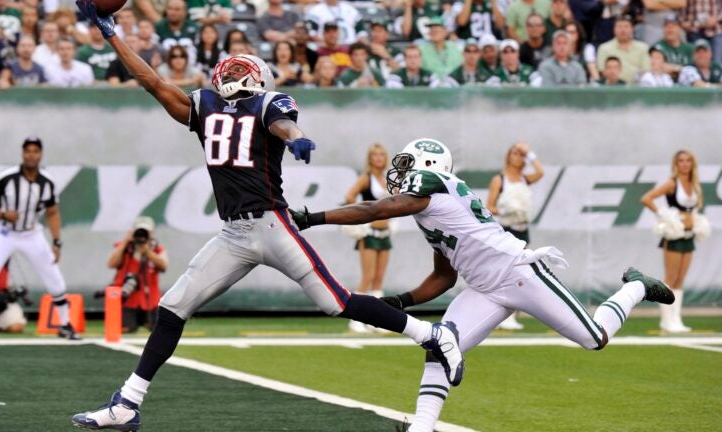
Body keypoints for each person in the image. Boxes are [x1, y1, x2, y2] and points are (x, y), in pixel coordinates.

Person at [71, 1, 464, 428]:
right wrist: (111, 34)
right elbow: (153, 82)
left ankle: (432, 334)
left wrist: (296, 137)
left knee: (335, 302)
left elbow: (278, 123)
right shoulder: (208, 106)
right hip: (235, 234)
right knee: (173, 307)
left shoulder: (259, 105)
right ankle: (127, 403)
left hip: (273, 225)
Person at [289, 138, 676, 432]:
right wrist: (400, 301)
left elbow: (374, 209)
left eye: (408, 165)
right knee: (441, 344)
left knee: (595, 337)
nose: (400, 172)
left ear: (427, 167)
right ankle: (423, 426)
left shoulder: (434, 182)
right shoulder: (431, 210)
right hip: (483, 288)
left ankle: (637, 286)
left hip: (519, 272)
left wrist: (312, 217)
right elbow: (445, 275)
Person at [0, 137, 79, 344]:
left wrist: (57, 241)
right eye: (28, 151)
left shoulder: (47, 181)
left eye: (35, 151)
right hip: (4, 232)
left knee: (53, 276)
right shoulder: (8, 176)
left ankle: (65, 325)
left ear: (40, 154)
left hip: (31, 233)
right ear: (22, 153)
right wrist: (1, 213)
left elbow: (52, 212)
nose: (31, 154)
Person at [641, 150, 707, 333]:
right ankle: (666, 320)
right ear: (676, 164)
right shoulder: (672, 183)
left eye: (688, 161)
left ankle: (676, 319)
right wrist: (663, 214)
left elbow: (693, 209)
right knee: (670, 278)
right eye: (681, 161)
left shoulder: (693, 184)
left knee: (680, 279)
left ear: (693, 164)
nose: (685, 164)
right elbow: (646, 198)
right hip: (674, 236)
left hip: (689, 236)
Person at [485, 141, 544, 330]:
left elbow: (540, 173)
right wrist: (505, 210)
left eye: (521, 155)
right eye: (515, 153)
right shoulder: (499, 180)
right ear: (508, 156)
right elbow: (489, 206)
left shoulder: (526, 179)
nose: (519, 157)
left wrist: (530, 153)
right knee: (504, 272)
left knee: (522, 272)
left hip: (522, 229)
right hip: (506, 229)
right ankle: (500, 315)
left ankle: (513, 315)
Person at [342, 144, 393, 333]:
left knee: (379, 279)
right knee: (368, 277)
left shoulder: (388, 179)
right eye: (375, 155)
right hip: (369, 233)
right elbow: (349, 196)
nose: (379, 158)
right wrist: (361, 217)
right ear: (370, 158)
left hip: (385, 233)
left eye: (382, 155)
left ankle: (376, 320)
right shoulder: (366, 178)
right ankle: (355, 319)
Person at [108, 217, 168, 333]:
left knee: (158, 328)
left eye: (145, 232)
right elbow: (111, 263)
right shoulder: (124, 247)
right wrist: (125, 242)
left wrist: (147, 252)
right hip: (128, 298)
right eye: (139, 232)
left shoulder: (156, 248)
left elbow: (164, 265)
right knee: (126, 328)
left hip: (151, 298)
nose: (141, 236)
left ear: (152, 234)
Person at [596, 15, 650, 84]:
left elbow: (646, 70)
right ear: (614, 29)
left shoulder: (643, 48)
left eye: (626, 27)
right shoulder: (604, 48)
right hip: (613, 88)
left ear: (632, 29)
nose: (623, 30)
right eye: (619, 27)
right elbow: (602, 71)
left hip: (636, 88)